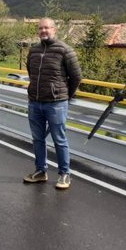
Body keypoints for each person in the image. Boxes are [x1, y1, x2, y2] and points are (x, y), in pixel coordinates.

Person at [23, 18, 82, 189]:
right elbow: (31, 72)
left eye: (46, 28)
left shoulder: (65, 50)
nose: (43, 31)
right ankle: (40, 171)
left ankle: (65, 174)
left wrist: (64, 95)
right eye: (40, 28)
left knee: (59, 140)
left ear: (54, 29)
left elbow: (76, 77)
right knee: (37, 139)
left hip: (56, 103)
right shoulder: (33, 51)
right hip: (35, 102)